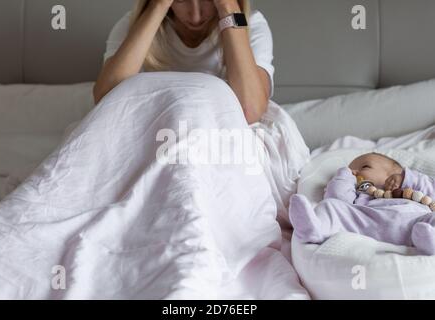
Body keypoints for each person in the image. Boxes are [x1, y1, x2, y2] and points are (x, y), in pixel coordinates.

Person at [93, 0, 274, 124]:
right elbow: (105, 101)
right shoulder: (132, 25)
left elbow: (250, 110)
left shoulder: (250, 23)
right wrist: (159, 5)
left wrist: (228, 6)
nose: (196, 16)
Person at [289, 152, 435, 255]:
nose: (354, 172)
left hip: (416, 221)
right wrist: (344, 175)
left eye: (365, 167)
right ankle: (314, 228)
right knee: (330, 206)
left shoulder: (413, 191)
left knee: (431, 220)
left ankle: (428, 242)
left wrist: (405, 177)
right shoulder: (363, 196)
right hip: (369, 221)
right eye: (351, 170)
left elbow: (430, 187)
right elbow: (338, 198)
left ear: (393, 172)